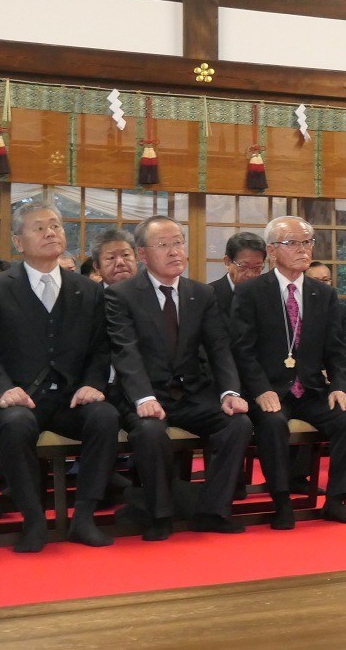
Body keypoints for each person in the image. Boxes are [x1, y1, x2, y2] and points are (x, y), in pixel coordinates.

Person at [0, 203, 118, 550]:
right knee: (15, 425)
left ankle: (84, 518)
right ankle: (34, 520)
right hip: (19, 396)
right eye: (39, 228)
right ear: (17, 241)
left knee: (105, 416)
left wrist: (93, 383)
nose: (51, 232)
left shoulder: (87, 289)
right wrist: (2, 390)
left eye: (55, 226)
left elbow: (102, 348)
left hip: (70, 396)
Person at [105, 215, 252, 540]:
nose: (175, 252)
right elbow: (125, 352)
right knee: (150, 431)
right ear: (143, 254)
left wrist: (229, 391)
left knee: (237, 422)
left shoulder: (201, 294)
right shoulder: (122, 295)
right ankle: (160, 515)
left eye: (178, 243)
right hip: (144, 396)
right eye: (163, 245)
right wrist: (144, 398)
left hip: (192, 394)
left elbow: (219, 348)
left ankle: (212, 511)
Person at [232, 216, 346, 526]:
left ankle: (336, 500)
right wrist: (260, 389)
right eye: (293, 243)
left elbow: (337, 350)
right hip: (269, 389)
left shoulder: (324, 294)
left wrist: (340, 387)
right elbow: (242, 349)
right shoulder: (251, 292)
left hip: (311, 388)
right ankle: (281, 501)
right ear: (273, 250)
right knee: (273, 423)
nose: (303, 249)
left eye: (307, 242)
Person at [210, 231, 265, 323]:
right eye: (243, 266)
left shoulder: (266, 294)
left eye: (257, 268)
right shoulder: (210, 295)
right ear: (227, 262)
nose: (250, 274)